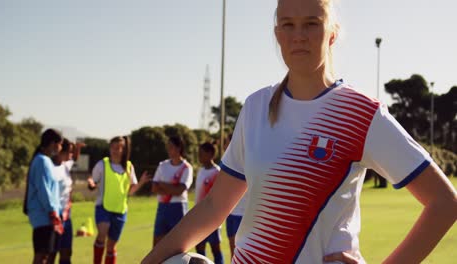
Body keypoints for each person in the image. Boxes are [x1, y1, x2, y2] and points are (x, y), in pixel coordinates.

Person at [141, 0, 457, 263]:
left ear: (332, 33)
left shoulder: (361, 113)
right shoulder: (255, 108)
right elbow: (214, 206)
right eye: (288, 25)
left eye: (311, 23)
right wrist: (151, 260)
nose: (299, 36)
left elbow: (444, 203)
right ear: (277, 33)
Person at [87, 136, 149, 264]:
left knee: (111, 246)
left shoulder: (129, 167)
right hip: (103, 207)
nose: (115, 150)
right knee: (102, 233)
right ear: (110, 148)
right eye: (113, 147)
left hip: (120, 210)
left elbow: (130, 191)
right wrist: (91, 183)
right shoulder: (102, 164)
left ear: (124, 149)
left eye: (119, 147)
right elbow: (92, 180)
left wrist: (141, 182)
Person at [23, 128, 64, 264]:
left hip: (46, 216)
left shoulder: (45, 160)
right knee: (42, 256)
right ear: (53, 143)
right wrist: (53, 212)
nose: (60, 148)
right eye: (60, 144)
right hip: (44, 216)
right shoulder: (41, 161)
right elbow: (44, 190)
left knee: (46, 255)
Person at [151, 135, 193, 247]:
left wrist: (163, 184)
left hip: (178, 208)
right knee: (157, 244)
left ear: (179, 148)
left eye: (171, 147)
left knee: (178, 246)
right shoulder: (162, 165)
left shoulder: (186, 168)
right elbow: (154, 187)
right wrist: (172, 188)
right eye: (167, 147)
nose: (168, 149)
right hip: (163, 207)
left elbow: (180, 191)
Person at [50, 139, 84, 264]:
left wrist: (77, 148)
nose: (71, 155)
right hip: (54, 216)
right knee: (51, 253)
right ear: (60, 151)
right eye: (69, 151)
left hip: (66, 216)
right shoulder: (50, 168)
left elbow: (74, 159)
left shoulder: (65, 165)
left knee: (66, 252)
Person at [194, 143, 224, 264]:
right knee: (199, 247)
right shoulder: (200, 171)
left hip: (212, 218)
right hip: (199, 217)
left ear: (210, 154)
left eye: (202, 153)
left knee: (215, 248)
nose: (199, 155)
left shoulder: (217, 172)